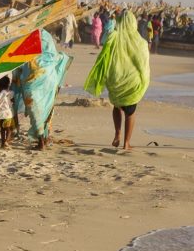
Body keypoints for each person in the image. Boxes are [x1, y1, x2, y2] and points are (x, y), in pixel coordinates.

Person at [84, 10, 151, 151]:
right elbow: (143, 63)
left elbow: (104, 52)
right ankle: (126, 143)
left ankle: (117, 135)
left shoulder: (113, 37)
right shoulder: (140, 42)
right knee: (130, 111)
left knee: (117, 106)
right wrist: (144, 79)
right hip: (132, 82)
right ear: (133, 22)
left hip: (115, 78)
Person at [13, 30, 72, 150]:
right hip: (46, 75)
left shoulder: (32, 37)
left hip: (38, 76)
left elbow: (19, 55)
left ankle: (41, 139)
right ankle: (43, 137)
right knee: (43, 107)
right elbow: (55, 55)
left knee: (37, 108)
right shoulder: (45, 37)